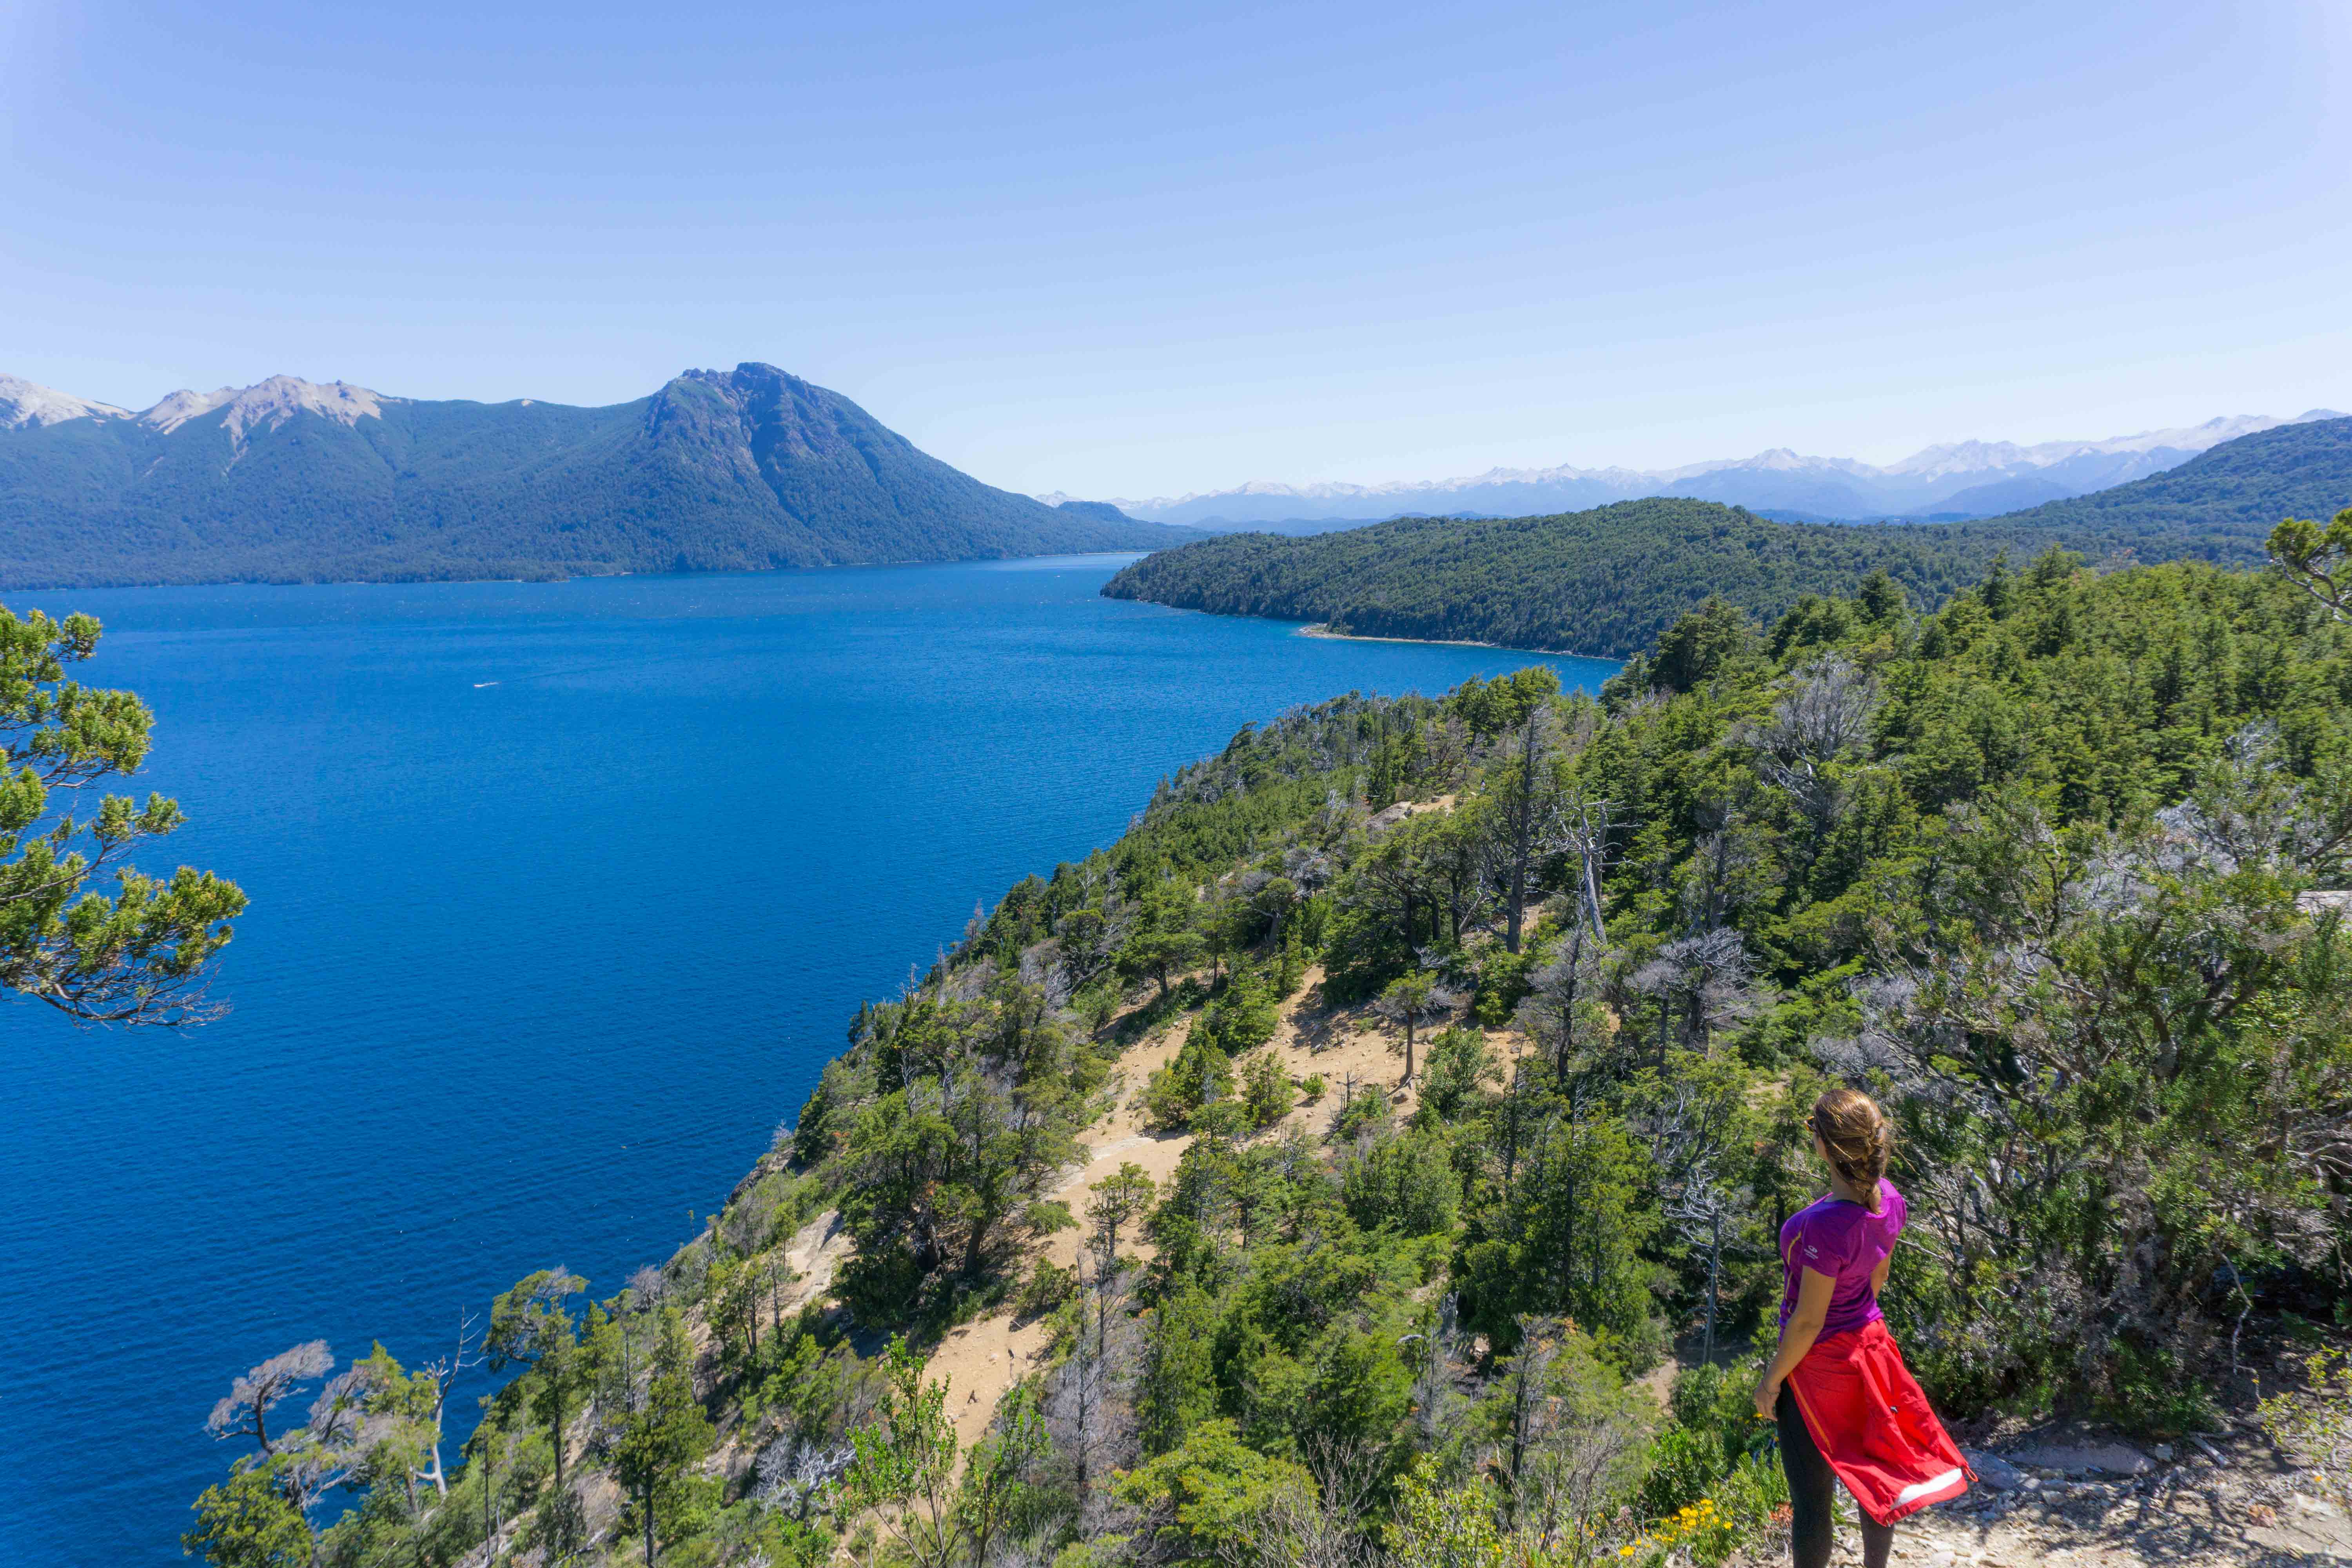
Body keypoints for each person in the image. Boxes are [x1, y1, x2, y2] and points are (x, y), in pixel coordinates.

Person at [1753, 1088, 1970, 1568]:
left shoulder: (1821, 1226)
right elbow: (1878, 1277)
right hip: (1872, 1350)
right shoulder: (1890, 1200)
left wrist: (1771, 1382)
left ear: (1826, 1147)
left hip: (1820, 1366)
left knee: (1812, 1504)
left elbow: (1809, 1320)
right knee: (1876, 1474)